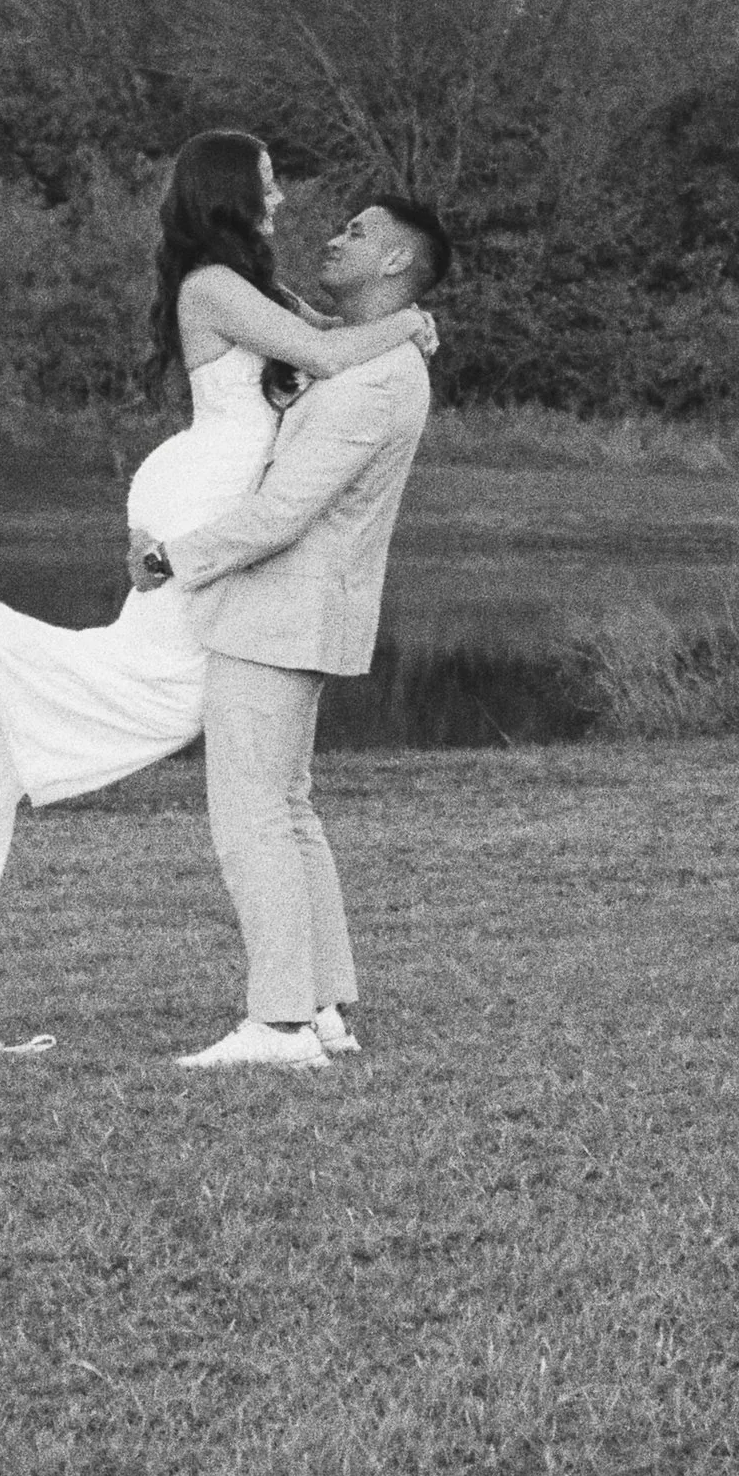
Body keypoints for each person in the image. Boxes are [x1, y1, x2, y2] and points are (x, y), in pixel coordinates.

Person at [0, 128, 436, 1052]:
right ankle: (0, 650)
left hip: (222, 510)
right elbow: (335, 357)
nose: (284, 199)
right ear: (228, 193)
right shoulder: (212, 287)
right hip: (212, 500)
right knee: (173, 696)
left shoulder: (253, 287)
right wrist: (413, 323)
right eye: (268, 182)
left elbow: (327, 343)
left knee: (194, 718)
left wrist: (390, 328)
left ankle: (310, 1006)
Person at [129, 191, 450, 1070]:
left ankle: (277, 1026)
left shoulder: (378, 380)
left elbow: (280, 514)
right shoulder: (370, 362)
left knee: (251, 822)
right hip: (295, 616)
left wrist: (171, 557)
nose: (336, 236)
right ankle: (325, 1008)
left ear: (395, 262)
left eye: (358, 231)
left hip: (278, 615)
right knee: (290, 811)